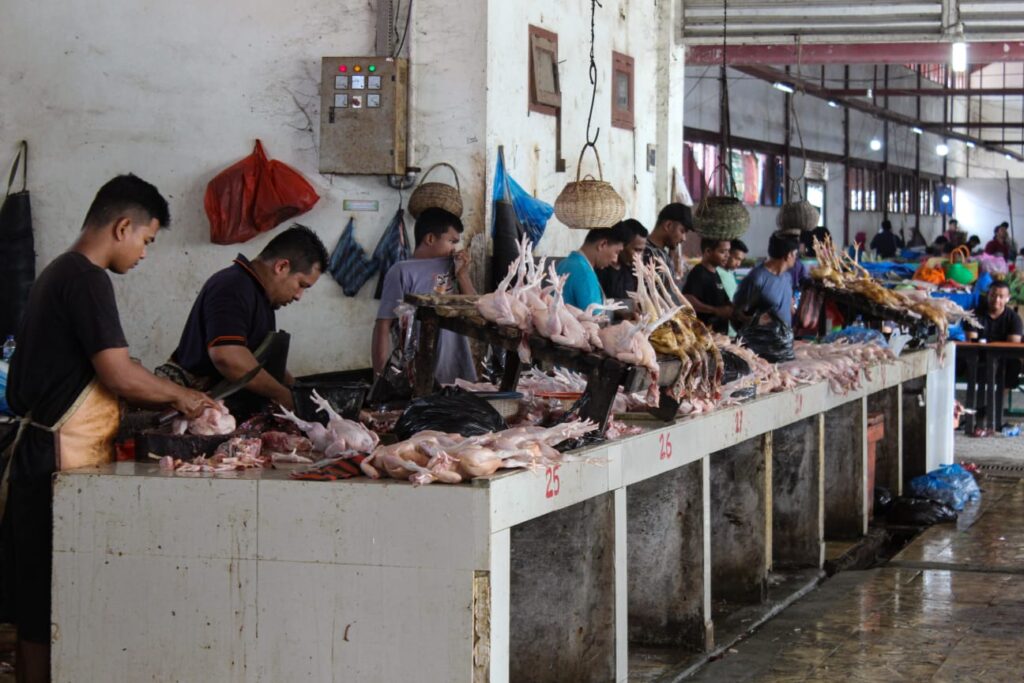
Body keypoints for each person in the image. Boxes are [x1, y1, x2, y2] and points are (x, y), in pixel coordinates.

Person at [2, 175, 217, 682]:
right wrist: (182, 395)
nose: (144, 254)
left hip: (46, 455)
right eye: (147, 241)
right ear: (123, 226)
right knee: (42, 603)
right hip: (53, 458)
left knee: (43, 602)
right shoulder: (86, 278)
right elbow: (119, 373)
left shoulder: (62, 272)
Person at [161, 225, 327, 418]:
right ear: (281, 267)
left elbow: (261, 362)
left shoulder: (261, 297)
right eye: (301, 285)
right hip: (192, 411)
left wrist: (300, 391)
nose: (299, 296)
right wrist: (285, 396)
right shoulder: (232, 285)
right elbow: (228, 357)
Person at [372, 207, 477, 385]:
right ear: (430, 238)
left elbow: (475, 309)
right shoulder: (402, 271)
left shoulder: (454, 266)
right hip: (417, 371)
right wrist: (379, 378)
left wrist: (463, 275)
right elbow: (383, 325)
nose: (454, 249)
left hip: (457, 369)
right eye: (452, 241)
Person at [965, 281, 1023, 432]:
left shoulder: (1013, 318)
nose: (997, 300)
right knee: (967, 362)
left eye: (1001, 296)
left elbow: (1013, 346)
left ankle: (992, 408)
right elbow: (972, 340)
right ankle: (974, 411)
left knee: (1013, 366)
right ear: (988, 296)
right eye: (993, 295)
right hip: (979, 357)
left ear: (1008, 298)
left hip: (1005, 360)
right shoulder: (974, 315)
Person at [555, 224, 632, 311]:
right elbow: (596, 321)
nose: (615, 260)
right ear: (602, 244)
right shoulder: (585, 273)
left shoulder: (564, 263)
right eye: (617, 252)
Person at [733, 232, 800, 327]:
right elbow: (735, 313)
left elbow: (788, 308)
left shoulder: (787, 277)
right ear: (789, 255)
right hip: (762, 340)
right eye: (795, 254)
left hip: (785, 339)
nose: (796, 258)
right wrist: (755, 321)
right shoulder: (757, 278)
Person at [643, 203, 694, 302]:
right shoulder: (646, 253)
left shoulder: (662, 253)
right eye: (682, 231)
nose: (684, 238)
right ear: (668, 225)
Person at [682, 238, 733, 335]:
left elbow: (724, 302)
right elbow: (688, 299)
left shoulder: (715, 273)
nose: (727, 256)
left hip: (718, 335)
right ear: (708, 251)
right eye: (722, 252)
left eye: (728, 251)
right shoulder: (698, 273)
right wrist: (715, 310)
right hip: (704, 335)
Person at [597, 219, 648, 300]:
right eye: (636, 250)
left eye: (642, 251)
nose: (639, 256)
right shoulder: (602, 267)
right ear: (622, 245)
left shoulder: (632, 270)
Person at [717, 239, 747, 336]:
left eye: (741, 260)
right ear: (727, 253)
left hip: (733, 331)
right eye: (736, 258)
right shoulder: (716, 272)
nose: (738, 264)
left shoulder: (730, 273)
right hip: (722, 332)